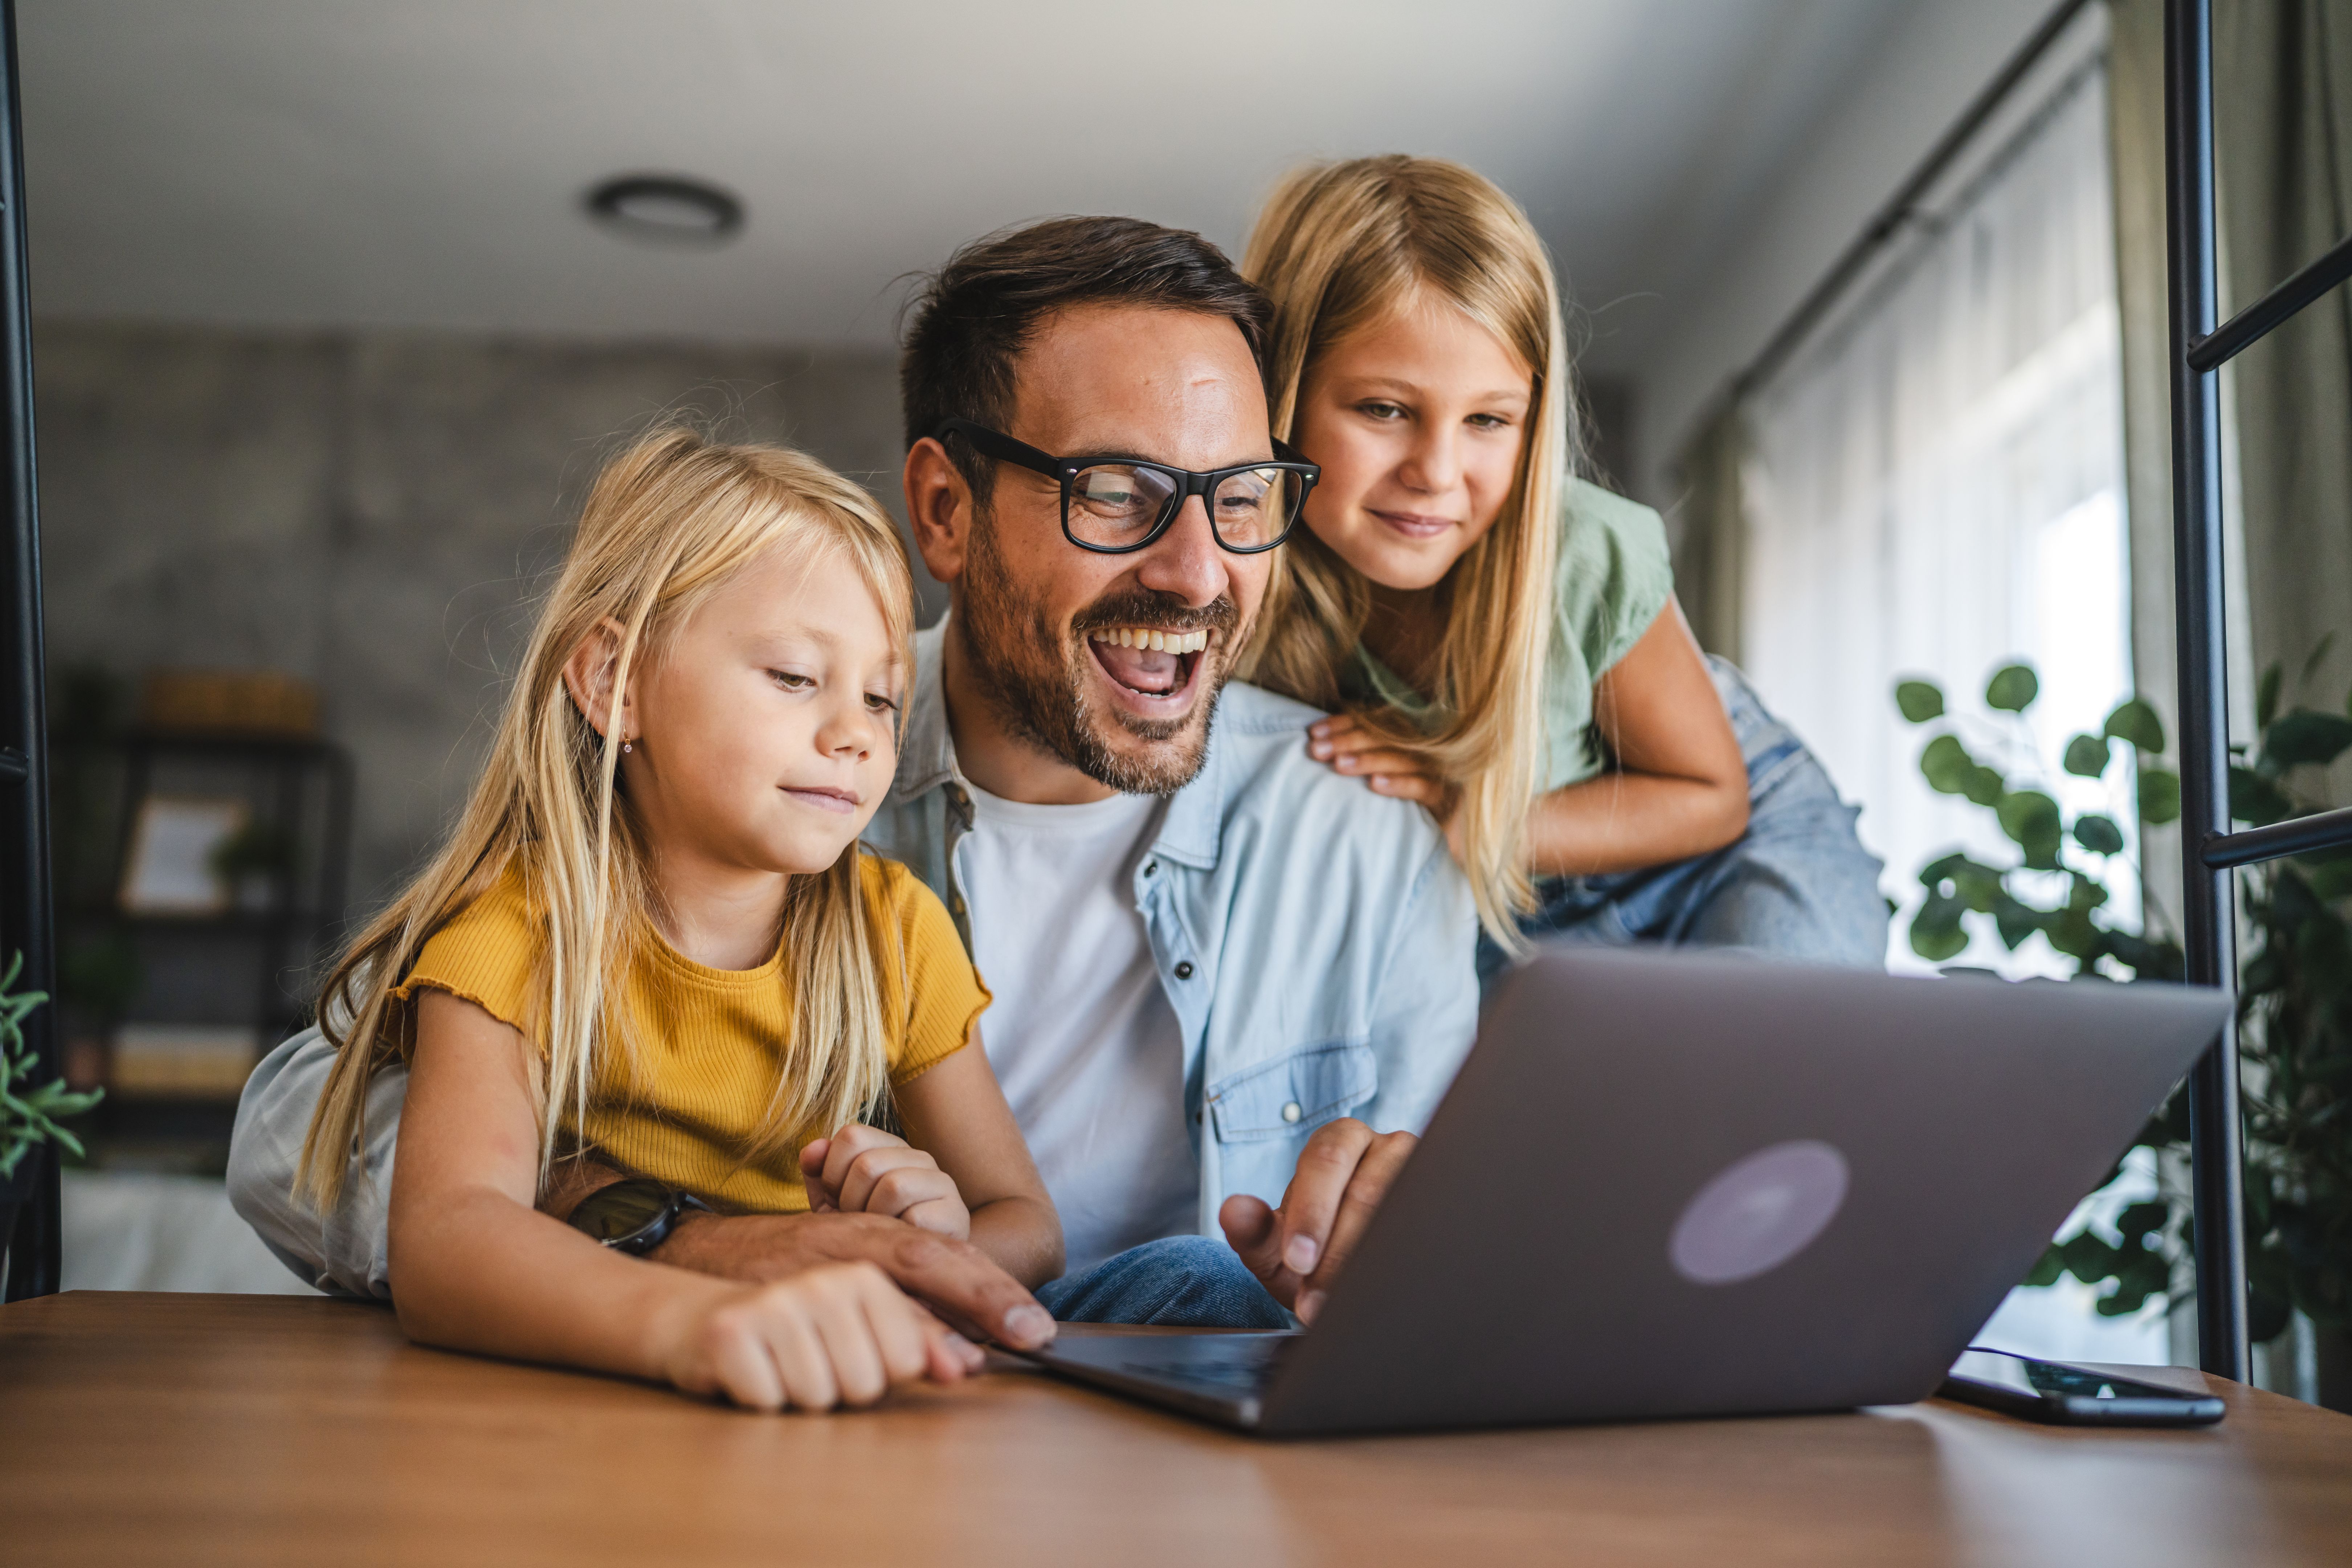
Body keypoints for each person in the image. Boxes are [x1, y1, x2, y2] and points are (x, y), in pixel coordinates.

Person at [230, 215, 1480, 1334]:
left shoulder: (1366, 839)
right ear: (944, 509)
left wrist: (1403, 1248)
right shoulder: (763, 774)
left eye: (1242, 496)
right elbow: (293, 1131)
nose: (1202, 575)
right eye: (1119, 493)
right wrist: (679, 1239)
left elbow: (1458, 1253)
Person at [295, 428, 1062, 1411]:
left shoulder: (897, 932)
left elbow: (1029, 1226)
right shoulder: (516, 928)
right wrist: (693, 1321)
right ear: (613, 682)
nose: (856, 735)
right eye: (794, 677)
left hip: (824, 1401)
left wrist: (926, 1244)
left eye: (882, 698)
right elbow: (446, 1240)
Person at [1236, 156, 1886, 973]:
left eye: (1488, 420)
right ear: (1281, 390)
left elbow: (1711, 800)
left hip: (1717, 845)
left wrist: (1466, 814)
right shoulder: (1238, 578)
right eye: (1385, 410)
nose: (1437, 472)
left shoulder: (1581, 548)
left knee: (1783, 1065)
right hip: (1513, 888)